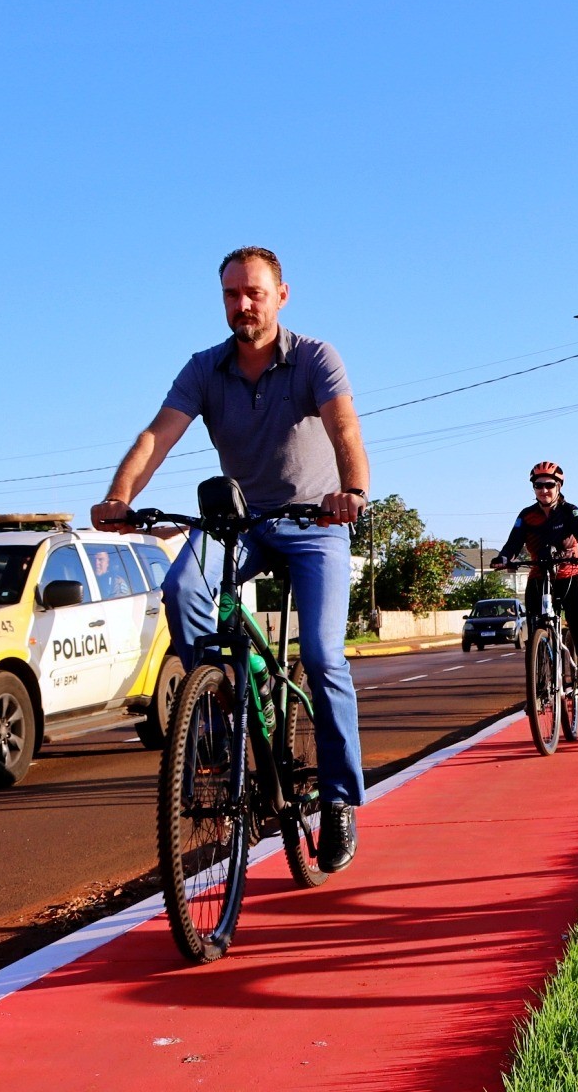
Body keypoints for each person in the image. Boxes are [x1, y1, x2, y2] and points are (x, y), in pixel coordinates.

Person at [92, 246, 370, 873]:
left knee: (324, 657)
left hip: (314, 522)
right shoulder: (204, 368)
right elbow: (156, 435)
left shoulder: (315, 358)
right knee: (182, 587)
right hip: (240, 521)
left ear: (281, 295)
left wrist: (350, 491)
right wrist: (119, 496)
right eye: (230, 295)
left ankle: (336, 800)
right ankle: (219, 713)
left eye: (254, 293)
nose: (242, 306)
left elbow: (344, 427)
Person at [491, 462, 578, 685]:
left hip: (572, 573)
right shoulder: (527, 515)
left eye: (549, 485)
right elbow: (513, 542)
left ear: (558, 486)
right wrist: (503, 558)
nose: (544, 490)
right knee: (534, 627)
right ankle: (538, 684)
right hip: (540, 575)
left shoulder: (570, 511)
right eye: (538, 485)